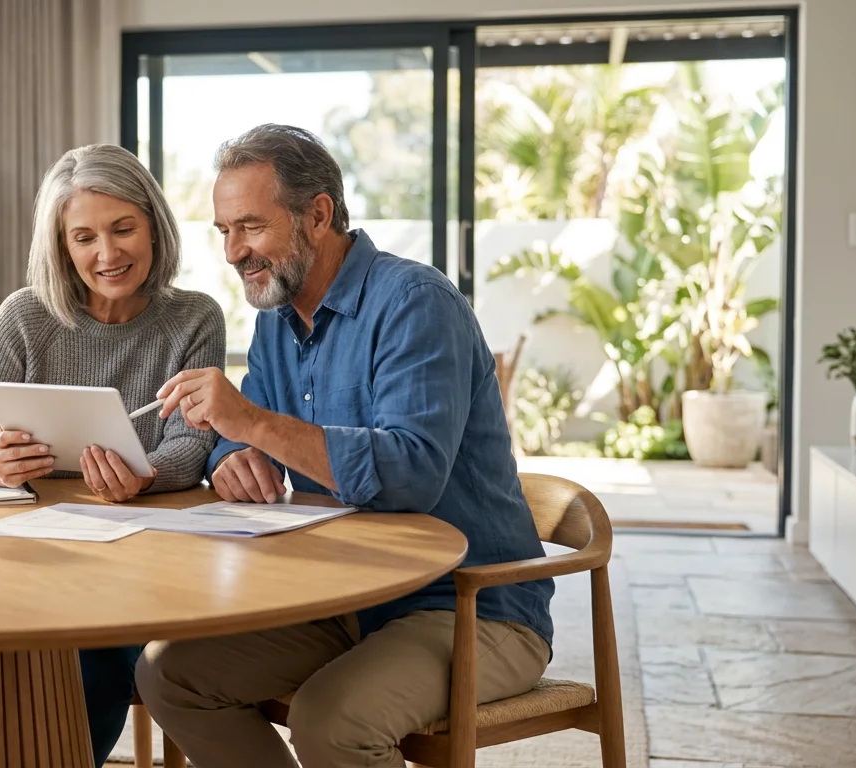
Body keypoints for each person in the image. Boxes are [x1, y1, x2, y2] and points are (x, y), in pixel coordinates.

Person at [136, 124, 556, 768]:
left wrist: (250, 424)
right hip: (345, 599)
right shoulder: (277, 322)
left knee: (332, 721)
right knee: (170, 675)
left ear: (318, 214)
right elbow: (247, 437)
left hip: (471, 606)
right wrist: (231, 460)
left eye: (249, 226)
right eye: (223, 231)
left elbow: (412, 473)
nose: (232, 251)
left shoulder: (416, 304)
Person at [0, 143, 225, 764]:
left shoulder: (194, 317)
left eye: (124, 229)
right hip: (29, 560)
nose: (108, 254)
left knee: (91, 656)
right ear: (62, 246)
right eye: (84, 237)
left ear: (155, 225)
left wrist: (144, 478)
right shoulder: (25, 316)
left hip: (144, 561)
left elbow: (192, 447)